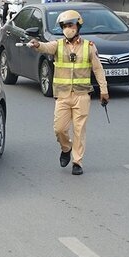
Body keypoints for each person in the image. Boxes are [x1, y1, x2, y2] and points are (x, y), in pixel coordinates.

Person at [27, 10, 109, 175]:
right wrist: (37, 44)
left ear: (78, 26)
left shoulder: (89, 47)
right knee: (59, 129)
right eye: (64, 26)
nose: (67, 28)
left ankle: (77, 162)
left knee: (79, 130)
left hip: (81, 95)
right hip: (63, 96)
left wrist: (104, 90)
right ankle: (66, 148)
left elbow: (98, 69)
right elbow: (45, 47)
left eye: (70, 25)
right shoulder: (58, 45)